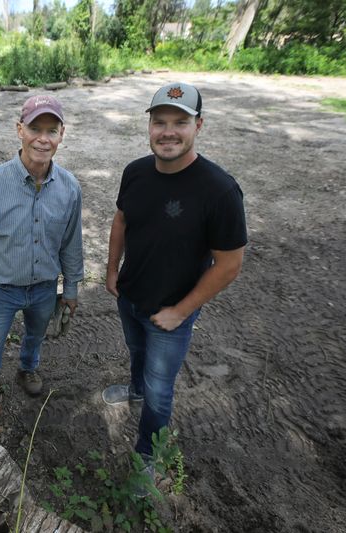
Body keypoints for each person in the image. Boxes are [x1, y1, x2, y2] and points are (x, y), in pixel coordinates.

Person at [103, 82, 247, 462]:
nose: (168, 131)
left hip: (171, 312)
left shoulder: (220, 191)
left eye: (180, 122)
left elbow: (230, 264)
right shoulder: (134, 172)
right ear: (149, 126)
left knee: (160, 388)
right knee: (136, 352)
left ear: (199, 125)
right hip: (130, 295)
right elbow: (121, 220)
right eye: (159, 121)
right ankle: (133, 390)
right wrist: (112, 271)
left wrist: (181, 312)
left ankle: (146, 458)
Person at [0, 94, 83, 437]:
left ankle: (28, 368)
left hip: (44, 288)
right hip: (1, 290)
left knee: (35, 334)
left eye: (51, 130)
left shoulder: (70, 188)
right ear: (19, 130)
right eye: (35, 128)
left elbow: (72, 242)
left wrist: (70, 286)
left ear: (61, 134)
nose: (43, 138)